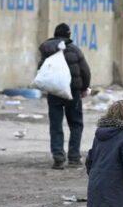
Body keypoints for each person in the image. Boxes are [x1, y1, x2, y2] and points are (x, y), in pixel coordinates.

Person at [38, 23, 91, 170]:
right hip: (72, 92)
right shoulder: (74, 49)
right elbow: (85, 71)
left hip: (54, 92)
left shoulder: (47, 49)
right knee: (76, 124)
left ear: (55, 34)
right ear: (68, 35)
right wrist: (85, 87)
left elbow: (41, 69)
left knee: (55, 125)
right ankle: (74, 158)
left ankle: (58, 158)